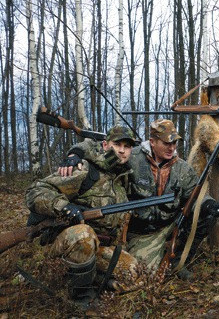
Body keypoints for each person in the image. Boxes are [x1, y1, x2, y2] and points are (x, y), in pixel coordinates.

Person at [61, 119, 219, 280]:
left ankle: (179, 261)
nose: (172, 148)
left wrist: (208, 204)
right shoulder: (132, 157)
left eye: (174, 143)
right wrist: (75, 153)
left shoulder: (182, 168)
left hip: (170, 222)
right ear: (152, 142)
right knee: (142, 275)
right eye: (167, 143)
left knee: (205, 215)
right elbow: (96, 148)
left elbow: (193, 194)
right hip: (141, 231)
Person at [25, 126, 139, 300]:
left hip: (98, 247)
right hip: (66, 243)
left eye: (127, 146)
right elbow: (36, 191)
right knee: (84, 234)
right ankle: (80, 298)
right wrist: (64, 207)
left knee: (133, 271)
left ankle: (90, 280)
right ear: (106, 145)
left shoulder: (123, 179)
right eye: (117, 144)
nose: (122, 151)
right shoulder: (85, 169)